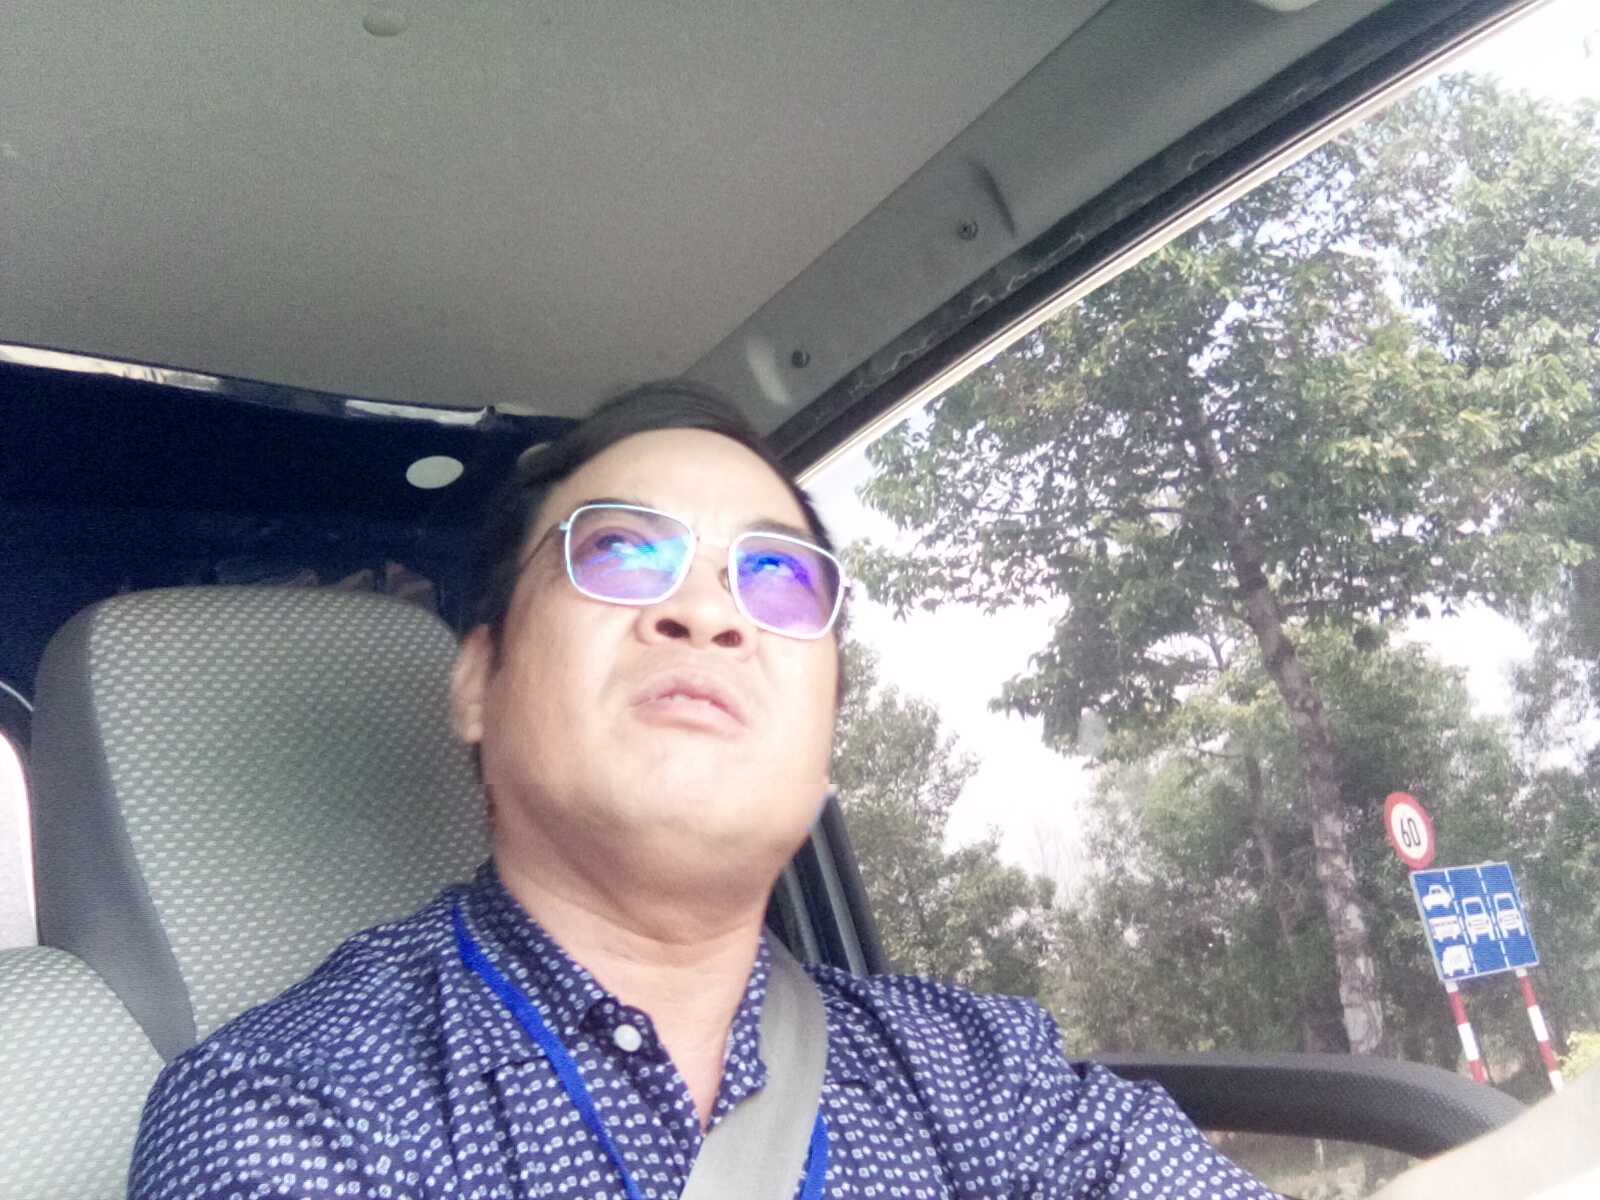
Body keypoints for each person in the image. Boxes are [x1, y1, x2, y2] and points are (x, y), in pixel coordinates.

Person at [130, 382, 1275, 1198]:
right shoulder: (295, 1108)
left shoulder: (983, 1076)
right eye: (624, 552)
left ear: (826, 738)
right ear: (478, 682)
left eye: (775, 575)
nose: (709, 611)